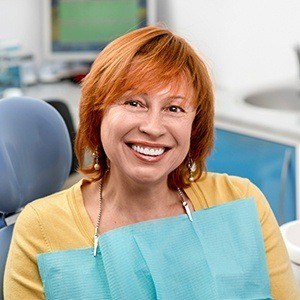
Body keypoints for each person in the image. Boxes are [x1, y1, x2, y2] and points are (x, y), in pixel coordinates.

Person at [4, 26, 300, 299]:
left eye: (174, 108)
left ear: (194, 125)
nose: (154, 127)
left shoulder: (243, 203)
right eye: (134, 103)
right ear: (98, 113)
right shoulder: (41, 230)